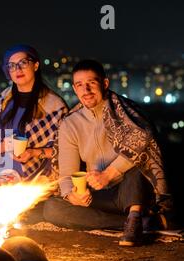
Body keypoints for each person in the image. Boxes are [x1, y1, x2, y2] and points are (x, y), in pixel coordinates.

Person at [44, 59, 172, 246]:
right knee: (52, 208)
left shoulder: (126, 112)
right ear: (74, 88)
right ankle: (138, 224)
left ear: (104, 83)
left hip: (130, 192)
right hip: (98, 196)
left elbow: (146, 142)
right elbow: (66, 175)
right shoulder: (70, 123)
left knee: (137, 168)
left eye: (91, 83)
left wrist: (109, 174)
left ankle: (135, 216)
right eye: (80, 85)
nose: (85, 90)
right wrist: (72, 195)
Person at [0, 44, 68, 221]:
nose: (17, 69)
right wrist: (0, 146)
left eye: (23, 63)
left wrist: (34, 152)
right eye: (11, 65)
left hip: (38, 178)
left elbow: (66, 149)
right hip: (4, 172)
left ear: (35, 65)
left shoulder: (54, 106)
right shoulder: (2, 101)